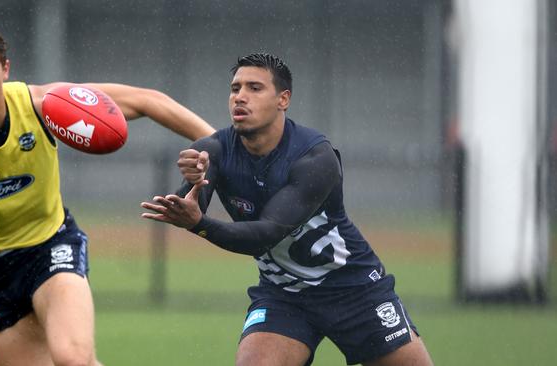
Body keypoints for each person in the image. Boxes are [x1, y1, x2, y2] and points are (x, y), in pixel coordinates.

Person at [0, 24, 215, 366]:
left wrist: (222, 146)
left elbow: (147, 100)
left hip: (51, 245)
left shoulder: (42, 104)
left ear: (5, 70)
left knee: (73, 359)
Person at [141, 53, 434, 366]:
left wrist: (200, 224)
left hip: (353, 289)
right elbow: (189, 204)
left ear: (283, 99)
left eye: (254, 88)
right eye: (235, 88)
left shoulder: (315, 158)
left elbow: (265, 234)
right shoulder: (213, 150)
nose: (240, 96)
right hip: (283, 294)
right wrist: (192, 186)